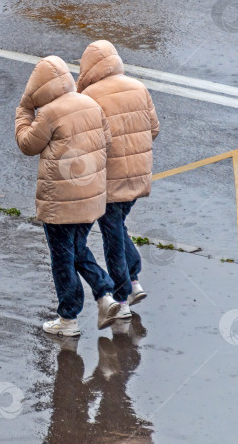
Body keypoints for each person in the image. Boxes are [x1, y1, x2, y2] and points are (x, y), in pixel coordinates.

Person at [15, 55, 121, 336]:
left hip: (60, 202)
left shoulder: (50, 113)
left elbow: (27, 144)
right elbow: (107, 141)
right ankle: (105, 295)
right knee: (77, 249)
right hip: (92, 198)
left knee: (63, 258)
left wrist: (24, 112)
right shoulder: (90, 103)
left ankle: (68, 319)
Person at [77, 40, 160, 319]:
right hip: (138, 175)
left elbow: (87, 141)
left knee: (112, 234)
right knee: (117, 225)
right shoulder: (138, 87)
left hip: (109, 179)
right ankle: (134, 278)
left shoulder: (89, 96)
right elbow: (154, 130)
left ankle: (123, 295)